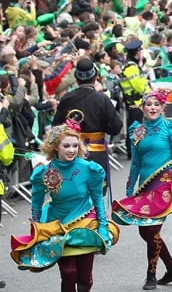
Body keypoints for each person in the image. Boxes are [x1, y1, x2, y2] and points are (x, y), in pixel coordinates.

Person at [11, 121, 118, 291]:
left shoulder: (90, 169)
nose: (72, 150)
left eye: (75, 145)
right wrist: (37, 229)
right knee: (68, 273)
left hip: (85, 225)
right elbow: (36, 202)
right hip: (58, 226)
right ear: (55, 147)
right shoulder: (43, 173)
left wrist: (103, 228)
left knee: (85, 279)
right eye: (66, 145)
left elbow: (97, 200)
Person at [112, 89, 172, 290]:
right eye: (148, 104)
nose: (152, 108)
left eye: (156, 104)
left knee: (150, 229)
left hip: (164, 187)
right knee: (146, 232)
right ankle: (171, 268)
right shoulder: (137, 130)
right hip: (145, 187)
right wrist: (129, 193)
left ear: (162, 108)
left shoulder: (171, 128)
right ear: (143, 107)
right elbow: (135, 164)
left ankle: (151, 274)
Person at [52, 58, 123, 195]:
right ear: (95, 77)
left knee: (73, 196)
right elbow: (115, 127)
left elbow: (56, 126)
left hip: (70, 154)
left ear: (77, 79)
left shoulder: (66, 99)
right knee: (95, 196)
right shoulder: (102, 99)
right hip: (96, 154)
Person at [119, 39, 150, 159]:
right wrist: (148, 90)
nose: (141, 52)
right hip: (135, 102)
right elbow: (139, 87)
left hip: (137, 102)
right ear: (137, 52)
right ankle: (132, 152)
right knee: (135, 128)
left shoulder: (133, 65)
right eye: (140, 50)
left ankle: (135, 151)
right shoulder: (131, 67)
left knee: (137, 127)